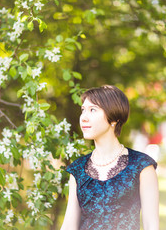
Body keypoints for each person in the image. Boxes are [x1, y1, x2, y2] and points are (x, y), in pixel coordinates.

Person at [60, 85, 159, 230]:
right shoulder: (77, 169)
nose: (84, 118)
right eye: (83, 110)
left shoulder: (142, 166)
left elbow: (151, 225)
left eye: (92, 110)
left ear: (114, 119)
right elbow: (69, 225)